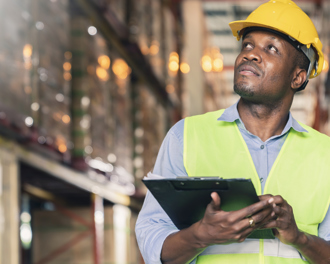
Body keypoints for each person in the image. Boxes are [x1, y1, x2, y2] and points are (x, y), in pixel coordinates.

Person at [135, 0, 330, 263]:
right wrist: (200, 236)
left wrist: (298, 237)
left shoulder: (325, 154)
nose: (250, 54)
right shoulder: (186, 137)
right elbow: (152, 239)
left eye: (271, 48)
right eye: (247, 45)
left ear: (298, 77)